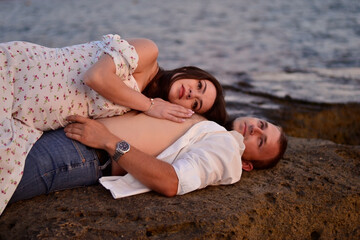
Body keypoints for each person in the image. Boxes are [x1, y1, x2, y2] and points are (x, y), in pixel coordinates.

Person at [0, 34, 227, 212]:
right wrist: (150, 105)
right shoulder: (148, 52)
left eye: (196, 104)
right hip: (17, 75)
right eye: (199, 86)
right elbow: (95, 77)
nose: (191, 94)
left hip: (25, 119)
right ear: (188, 71)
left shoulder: (133, 107)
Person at [4, 112, 287, 214]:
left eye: (261, 141)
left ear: (248, 165)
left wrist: (110, 141)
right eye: (261, 124)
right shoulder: (216, 129)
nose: (256, 130)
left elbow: (172, 181)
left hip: (83, 153)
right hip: (76, 135)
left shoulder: (228, 149)